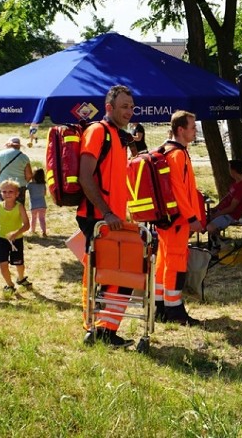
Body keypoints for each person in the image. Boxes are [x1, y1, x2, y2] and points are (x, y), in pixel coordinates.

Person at [77, 85, 136, 347]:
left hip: (111, 218)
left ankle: (101, 329)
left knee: (113, 274)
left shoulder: (117, 135)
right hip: (99, 218)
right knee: (117, 274)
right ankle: (101, 330)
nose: (129, 111)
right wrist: (107, 212)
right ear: (109, 108)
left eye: (132, 107)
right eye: (124, 106)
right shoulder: (98, 131)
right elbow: (84, 176)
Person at [155, 111, 204, 326]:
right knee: (175, 264)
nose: (195, 131)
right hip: (177, 220)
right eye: (192, 128)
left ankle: (159, 308)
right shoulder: (177, 154)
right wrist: (192, 217)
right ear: (181, 130)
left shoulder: (167, 150)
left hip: (166, 219)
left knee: (163, 262)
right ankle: (174, 311)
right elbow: (179, 191)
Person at [206, 159, 242, 251]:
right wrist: (216, 208)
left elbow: (231, 208)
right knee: (201, 222)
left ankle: (223, 243)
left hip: (231, 215)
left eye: (229, 168)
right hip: (222, 212)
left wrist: (216, 215)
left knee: (210, 227)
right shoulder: (234, 184)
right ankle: (218, 242)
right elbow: (226, 199)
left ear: (233, 170)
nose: (228, 171)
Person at [0, 137, 33, 204]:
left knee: (2, 208)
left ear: (8, 145)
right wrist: (23, 182)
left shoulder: (1, 154)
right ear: (19, 146)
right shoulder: (24, 157)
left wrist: (3, 173)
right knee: (18, 210)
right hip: (19, 186)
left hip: (3, 185)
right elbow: (29, 175)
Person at [28, 168, 48, 236]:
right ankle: (44, 231)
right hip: (42, 204)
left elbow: (25, 187)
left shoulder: (30, 185)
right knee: (42, 219)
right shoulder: (43, 184)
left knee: (33, 218)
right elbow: (45, 194)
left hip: (33, 205)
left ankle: (32, 230)